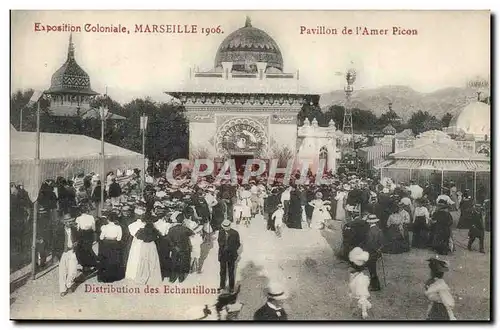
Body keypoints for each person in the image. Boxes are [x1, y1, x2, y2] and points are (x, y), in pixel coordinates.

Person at [125, 211, 162, 285]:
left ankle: (140, 275)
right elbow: (158, 236)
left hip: (142, 245)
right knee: (153, 260)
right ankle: (153, 276)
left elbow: (137, 236)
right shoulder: (153, 228)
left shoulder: (137, 227)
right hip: (152, 245)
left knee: (142, 260)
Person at [167, 209, 195, 283]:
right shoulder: (185, 229)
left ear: (176, 220)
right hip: (183, 248)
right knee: (182, 263)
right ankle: (181, 278)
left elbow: (169, 239)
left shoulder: (171, 229)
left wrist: (174, 246)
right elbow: (192, 233)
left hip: (174, 248)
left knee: (174, 262)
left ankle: (172, 278)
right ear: (182, 221)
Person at [55, 214, 79, 297]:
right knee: (62, 272)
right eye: (68, 221)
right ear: (64, 222)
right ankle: (62, 289)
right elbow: (55, 243)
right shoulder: (59, 231)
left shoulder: (74, 229)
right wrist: (58, 254)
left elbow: (78, 239)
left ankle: (69, 285)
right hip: (63, 253)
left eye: (71, 221)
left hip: (72, 251)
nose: (70, 223)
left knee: (73, 270)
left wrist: (76, 243)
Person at [98, 213, 124, 282]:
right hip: (115, 244)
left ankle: (104, 277)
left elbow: (101, 237)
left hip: (106, 244)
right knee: (113, 260)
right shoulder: (118, 227)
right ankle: (113, 277)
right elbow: (119, 238)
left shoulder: (105, 227)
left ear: (108, 219)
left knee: (105, 259)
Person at [347, 247, 372, 319]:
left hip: (360, 303)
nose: (350, 269)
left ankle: (362, 311)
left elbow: (363, 297)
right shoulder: (353, 276)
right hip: (355, 300)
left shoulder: (361, 279)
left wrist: (364, 312)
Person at [218, 220, 241, 293]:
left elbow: (238, 244)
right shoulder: (221, 232)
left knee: (231, 272)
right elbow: (219, 241)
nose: (226, 228)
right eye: (225, 227)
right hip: (223, 255)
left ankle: (231, 287)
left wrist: (232, 249)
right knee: (222, 271)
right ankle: (222, 286)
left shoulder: (235, 233)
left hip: (231, 255)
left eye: (227, 226)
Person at [74, 204, 98, 273]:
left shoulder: (78, 218)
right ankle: (89, 264)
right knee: (89, 248)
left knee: (83, 250)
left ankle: (87, 265)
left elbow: (77, 229)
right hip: (90, 234)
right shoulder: (91, 217)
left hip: (82, 234)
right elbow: (94, 228)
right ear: (87, 211)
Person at [363, 214, 384, 291]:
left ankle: (375, 285)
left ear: (369, 222)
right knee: (372, 268)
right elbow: (382, 243)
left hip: (371, 252)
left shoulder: (370, 231)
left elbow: (369, 243)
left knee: (372, 269)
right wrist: (379, 250)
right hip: (377, 252)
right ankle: (374, 284)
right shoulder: (379, 230)